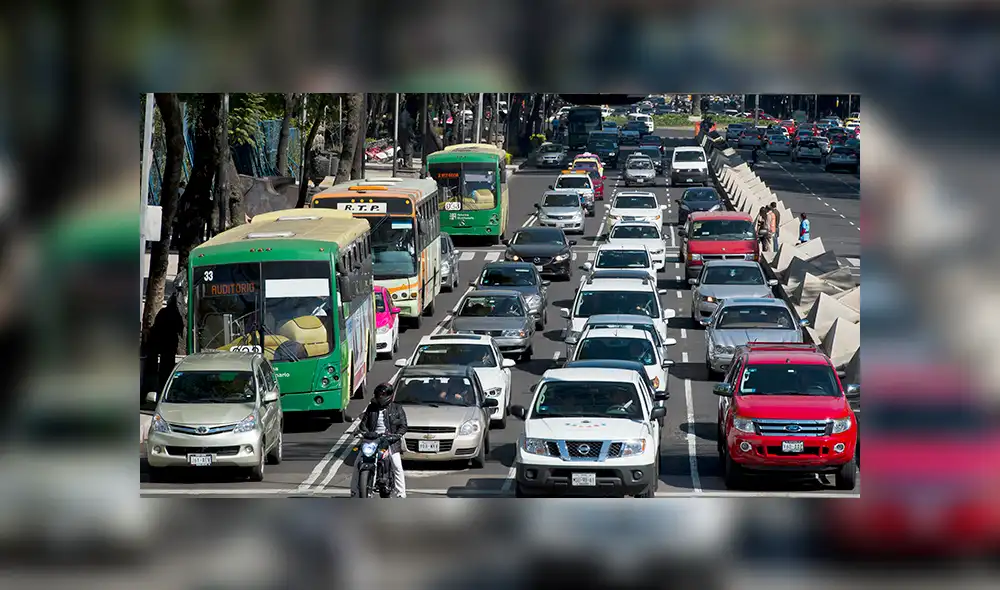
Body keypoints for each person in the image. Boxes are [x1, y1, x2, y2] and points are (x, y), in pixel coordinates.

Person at [351, 383, 408, 498]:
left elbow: (403, 426)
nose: (379, 397)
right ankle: (354, 492)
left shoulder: (397, 408)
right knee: (358, 463)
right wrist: (364, 433)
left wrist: (394, 436)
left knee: (397, 465)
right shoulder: (371, 408)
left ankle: (401, 494)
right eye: (378, 395)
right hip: (372, 439)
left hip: (390, 441)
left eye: (382, 395)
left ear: (388, 396)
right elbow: (363, 425)